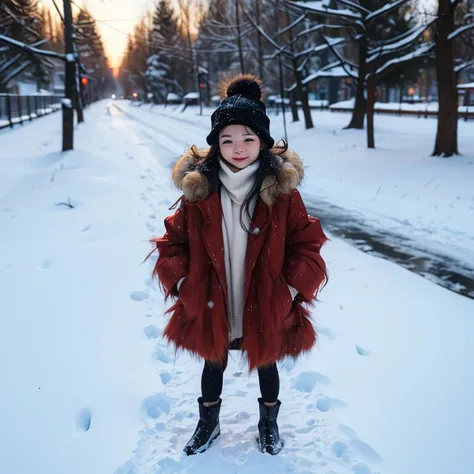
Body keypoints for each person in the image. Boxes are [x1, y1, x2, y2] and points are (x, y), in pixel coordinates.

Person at [149, 74, 328, 456]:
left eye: (248, 138)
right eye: (227, 139)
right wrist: (184, 286)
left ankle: (268, 421)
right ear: (216, 146)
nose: (238, 147)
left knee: (266, 360)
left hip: (265, 296)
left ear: (262, 141)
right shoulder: (198, 191)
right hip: (214, 294)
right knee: (213, 362)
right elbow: (171, 245)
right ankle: (208, 421)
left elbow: (307, 244)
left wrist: (291, 290)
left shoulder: (282, 193)